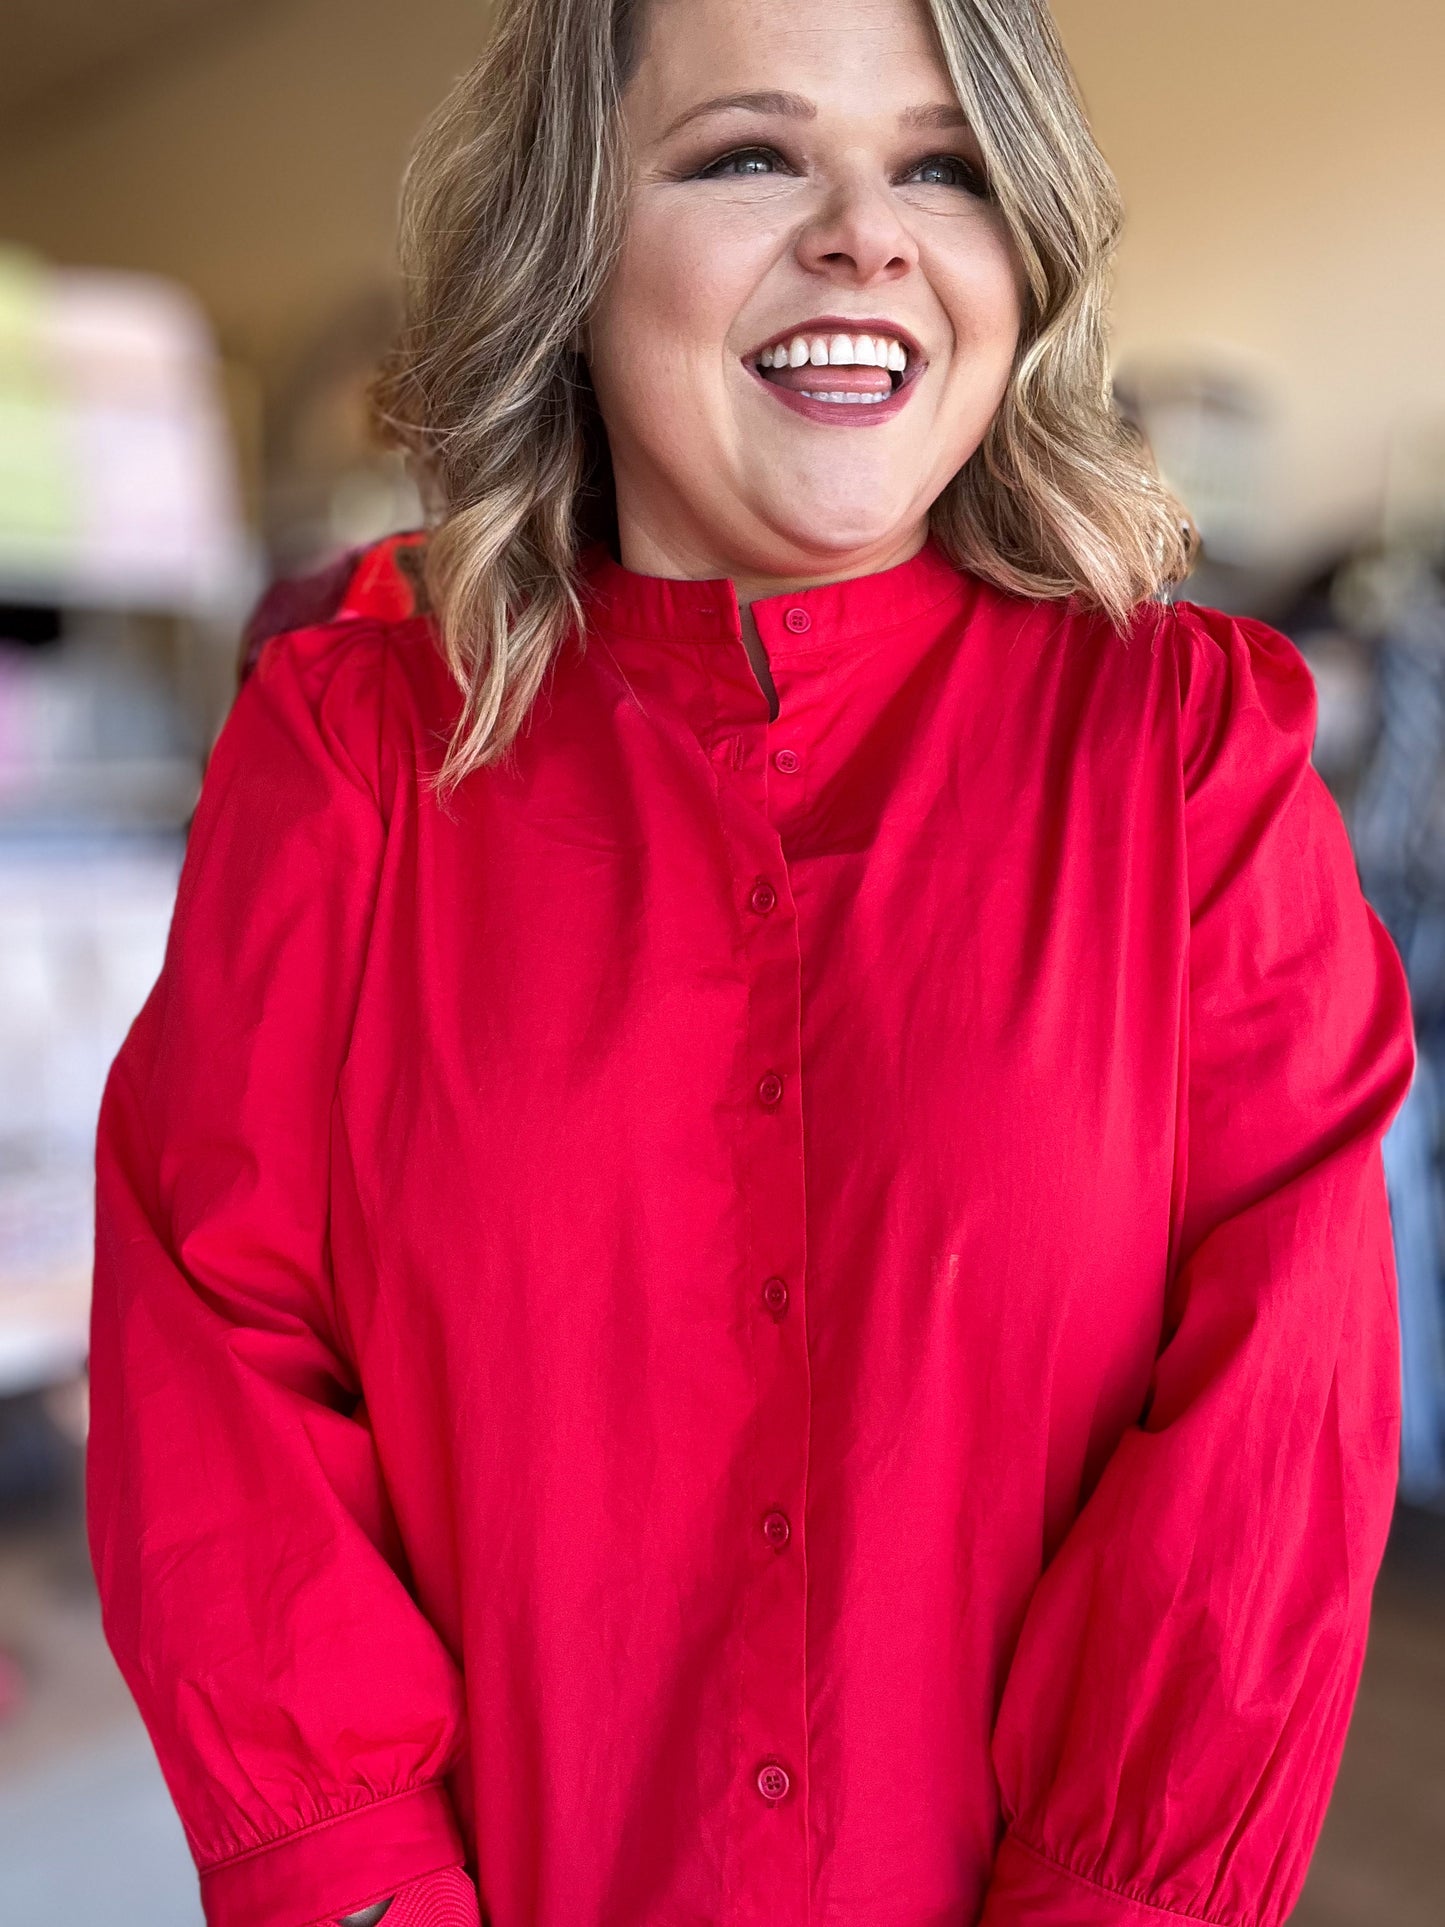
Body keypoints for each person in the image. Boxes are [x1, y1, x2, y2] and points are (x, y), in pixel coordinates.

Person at [85, 2, 1417, 1926]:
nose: (867, 232)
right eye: (749, 154)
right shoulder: (356, 763)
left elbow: (1270, 1420)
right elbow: (215, 1367)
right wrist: (351, 1880)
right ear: (573, 238)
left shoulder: (1186, 762)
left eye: (942, 164)